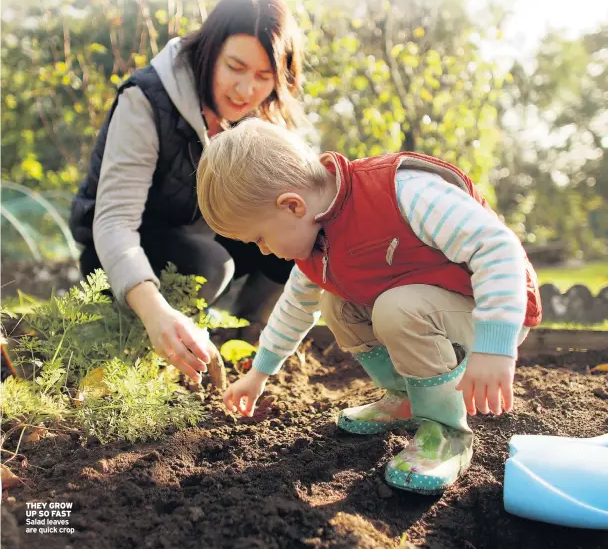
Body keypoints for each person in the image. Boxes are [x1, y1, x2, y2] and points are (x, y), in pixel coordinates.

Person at [195, 118, 543, 494]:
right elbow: (293, 310)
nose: (264, 250)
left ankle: (445, 430)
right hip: (427, 308)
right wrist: (258, 375)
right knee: (337, 307)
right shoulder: (316, 241)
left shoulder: (402, 191)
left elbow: (497, 248)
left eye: (260, 238)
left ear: (292, 205)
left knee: (398, 308)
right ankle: (408, 399)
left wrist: (495, 346)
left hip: (493, 307)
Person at [69, 0, 306, 384]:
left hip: (202, 238)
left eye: (264, 77)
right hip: (120, 254)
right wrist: (156, 313)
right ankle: (148, 346)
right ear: (209, 52)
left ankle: (246, 347)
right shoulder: (146, 101)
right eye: (235, 67)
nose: (246, 90)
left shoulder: (260, 117)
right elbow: (113, 224)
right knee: (209, 265)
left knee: (291, 239)